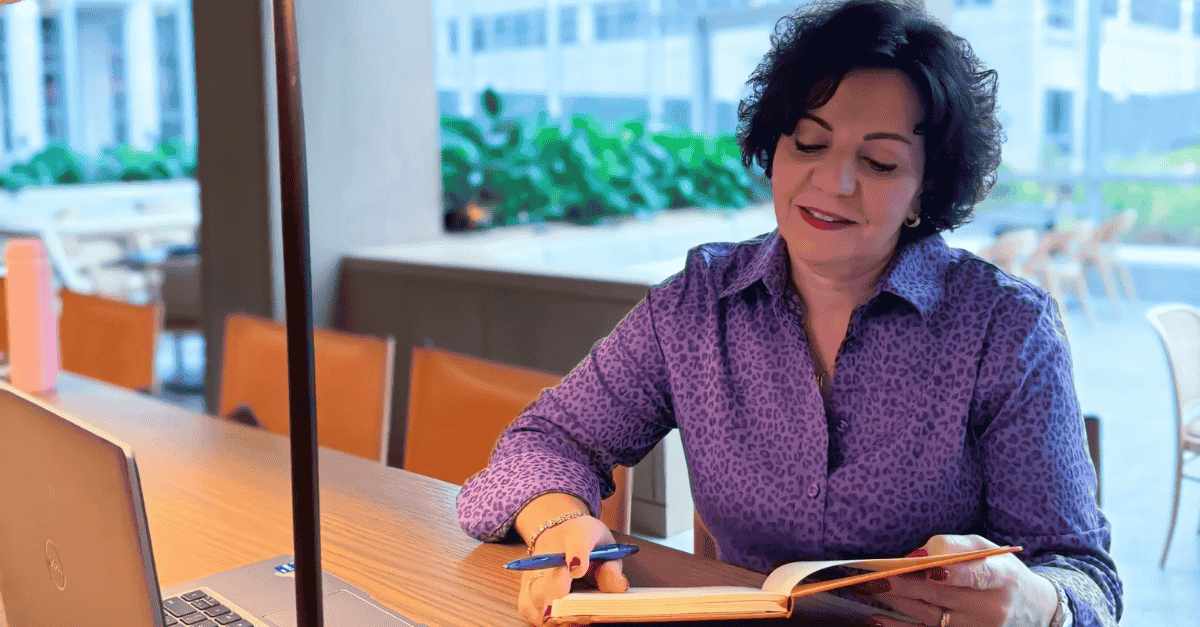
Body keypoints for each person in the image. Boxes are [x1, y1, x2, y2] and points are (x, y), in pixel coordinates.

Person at [456, 1, 1123, 625]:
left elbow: (1086, 573)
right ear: (773, 148)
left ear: (926, 188)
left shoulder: (1002, 328)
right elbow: (543, 443)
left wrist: (1039, 603)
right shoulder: (699, 303)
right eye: (809, 143)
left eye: (880, 161)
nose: (833, 182)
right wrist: (559, 524)